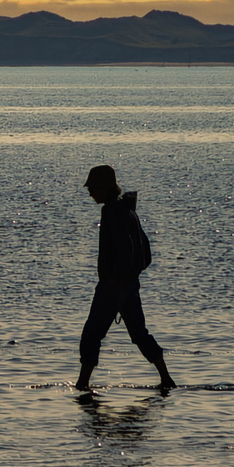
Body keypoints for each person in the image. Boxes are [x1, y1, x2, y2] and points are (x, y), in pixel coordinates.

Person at [76, 164, 174, 392]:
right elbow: (143, 248)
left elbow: (126, 246)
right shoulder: (127, 209)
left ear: (103, 187)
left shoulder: (111, 211)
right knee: (139, 334)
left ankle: (82, 384)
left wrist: (115, 280)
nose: (90, 192)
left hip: (114, 286)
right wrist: (131, 277)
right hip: (129, 284)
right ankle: (166, 379)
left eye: (92, 187)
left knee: (91, 334)